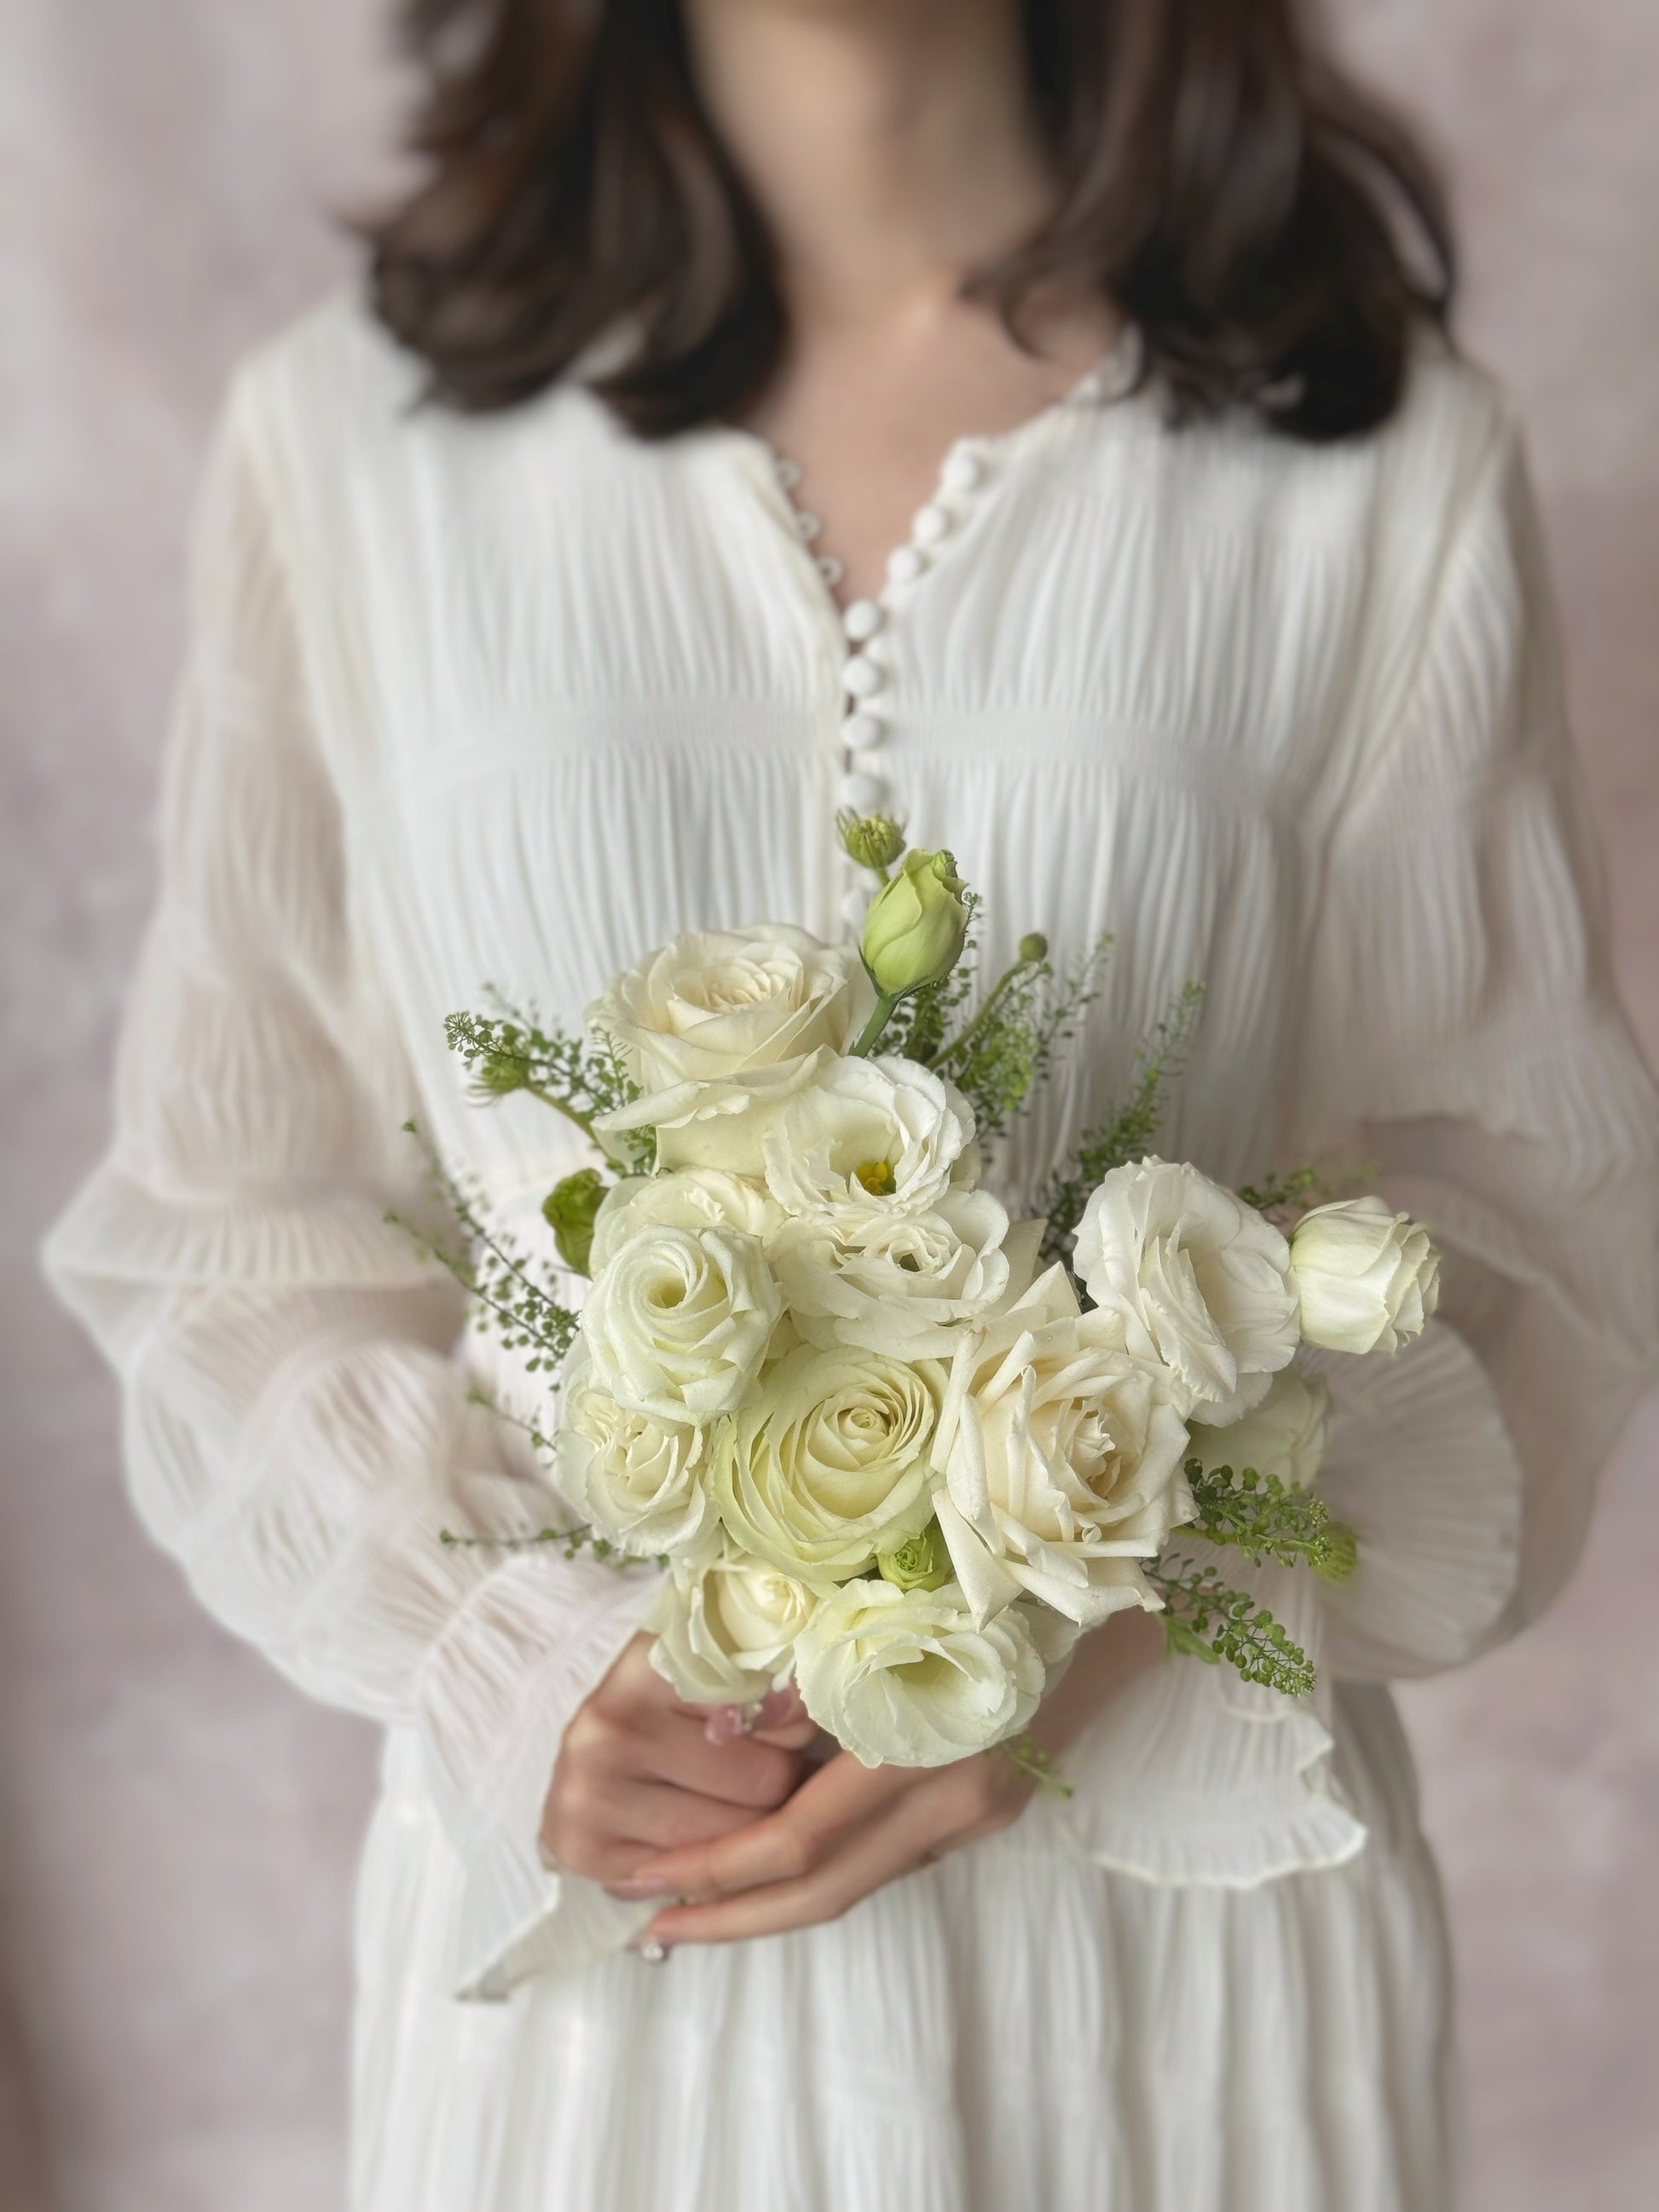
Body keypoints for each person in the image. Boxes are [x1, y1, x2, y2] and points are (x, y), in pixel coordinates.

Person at [43, 2, 1659, 2208]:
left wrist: (1118, 1601)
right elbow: (236, 1230)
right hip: (599, 1989)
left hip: (1173, 1976)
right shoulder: (357, 454)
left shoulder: (1366, 463)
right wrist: (514, 1652)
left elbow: (1540, 1224)